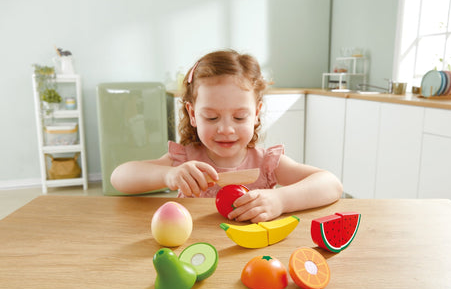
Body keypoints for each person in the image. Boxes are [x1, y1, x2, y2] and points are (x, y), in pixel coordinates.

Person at [111, 49, 343, 222]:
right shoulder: (185, 161)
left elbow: (331, 184)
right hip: (193, 251)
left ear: (256, 114)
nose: (226, 129)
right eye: (211, 118)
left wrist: (281, 201)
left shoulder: (267, 164)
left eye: (239, 117)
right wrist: (168, 175)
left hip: (252, 257)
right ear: (192, 114)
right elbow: (119, 178)